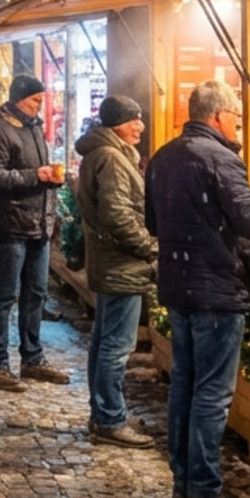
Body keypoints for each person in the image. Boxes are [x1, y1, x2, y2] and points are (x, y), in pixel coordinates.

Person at [145, 80, 250, 498]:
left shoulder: (163, 156)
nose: (238, 123)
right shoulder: (221, 159)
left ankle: (184, 484)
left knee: (185, 385)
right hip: (216, 292)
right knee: (211, 394)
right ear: (219, 115)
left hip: (178, 287)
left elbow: (153, 223)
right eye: (236, 115)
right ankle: (203, 490)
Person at [0, 74, 69, 391]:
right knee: (4, 297)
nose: (39, 105)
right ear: (18, 98)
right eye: (35, 100)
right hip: (11, 226)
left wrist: (51, 179)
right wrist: (37, 175)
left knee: (36, 294)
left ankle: (32, 358)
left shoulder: (33, 127)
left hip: (38, 226)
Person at [74, 95, 155, 448]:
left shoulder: (105, 153)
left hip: (110, 263)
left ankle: (103, 412)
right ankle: (109, 418)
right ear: (117, 124)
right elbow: (117, 215)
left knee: (104, 341)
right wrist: (149, 246)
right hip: (120, 264)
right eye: (134, 120)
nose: (140, 126)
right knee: (116, 346)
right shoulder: (111, 157)